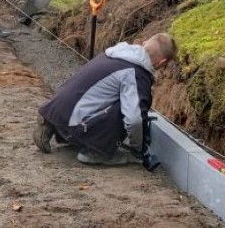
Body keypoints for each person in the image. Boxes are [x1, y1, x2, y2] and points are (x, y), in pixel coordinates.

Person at [33, 33, 177, 165]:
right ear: (161, 62)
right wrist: (138, 148)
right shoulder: (136, 73)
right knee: (129, 107)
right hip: (74, 125)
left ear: (145, 43)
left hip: (58, 111)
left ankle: (50, 122)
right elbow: (134, 120)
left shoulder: (116, 53)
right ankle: (96, 153)